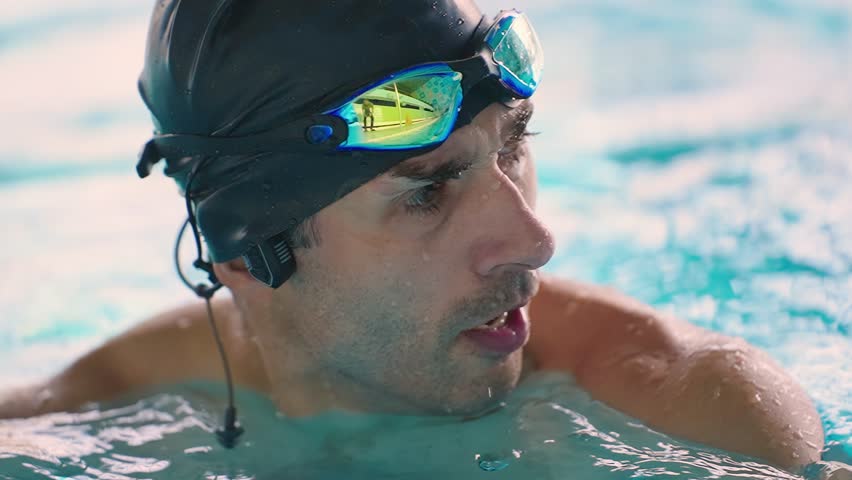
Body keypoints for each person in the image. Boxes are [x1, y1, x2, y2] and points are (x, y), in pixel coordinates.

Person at [0, 0, 827, 473]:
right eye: (428, 193)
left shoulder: (704, 421)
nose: (535, 239)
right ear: (250, 253)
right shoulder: (73, 429)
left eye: (515, 146)